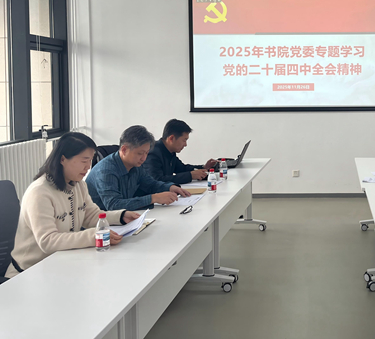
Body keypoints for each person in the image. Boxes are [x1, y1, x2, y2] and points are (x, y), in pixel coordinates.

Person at [5, 132, 140, 279]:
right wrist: (92, 236)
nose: (88, 167)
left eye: (90, 161)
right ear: (63, 159)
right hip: (28, 274)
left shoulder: (78, 185)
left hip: (62, 265)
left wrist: (121, 216)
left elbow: (91, 216)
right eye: (84, 161)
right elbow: (47, 241)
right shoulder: (40, 192)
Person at [86, 125, 190, 211]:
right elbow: (113, 205)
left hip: (123, 219)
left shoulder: (135, 165)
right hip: (101, 224)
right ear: (124, 149)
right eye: (140, 153)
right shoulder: (106, 170)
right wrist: (153, 198)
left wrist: (170, 187)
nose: (144, 158)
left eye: (146, 153)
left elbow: (150, 184)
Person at [143, 119, 217, 184]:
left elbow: (182, 169)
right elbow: (156, 180)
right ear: (171, 138)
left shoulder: (170, 151)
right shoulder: (153, 152)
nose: (185, 144)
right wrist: (190, 176)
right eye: (184, 140)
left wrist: (203, 167)